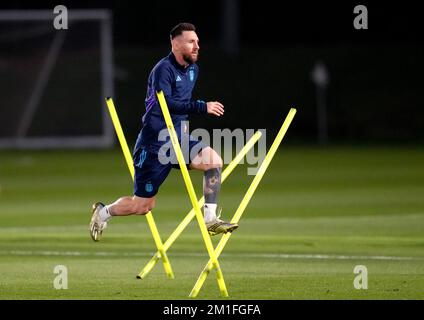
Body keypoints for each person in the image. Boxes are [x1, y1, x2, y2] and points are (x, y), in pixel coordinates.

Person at [89, 22, 238, 241]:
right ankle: (103, 212)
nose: (197, 46)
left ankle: (210, 220)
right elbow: (165, 104)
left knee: (213, 161)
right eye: (191, 42)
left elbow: (181, 106)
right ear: (175, 44)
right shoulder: (162, 70)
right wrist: (202, 106)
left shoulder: (193, 70)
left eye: (197, 41)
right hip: (154, 144)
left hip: (179, 137)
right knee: (143, 206)